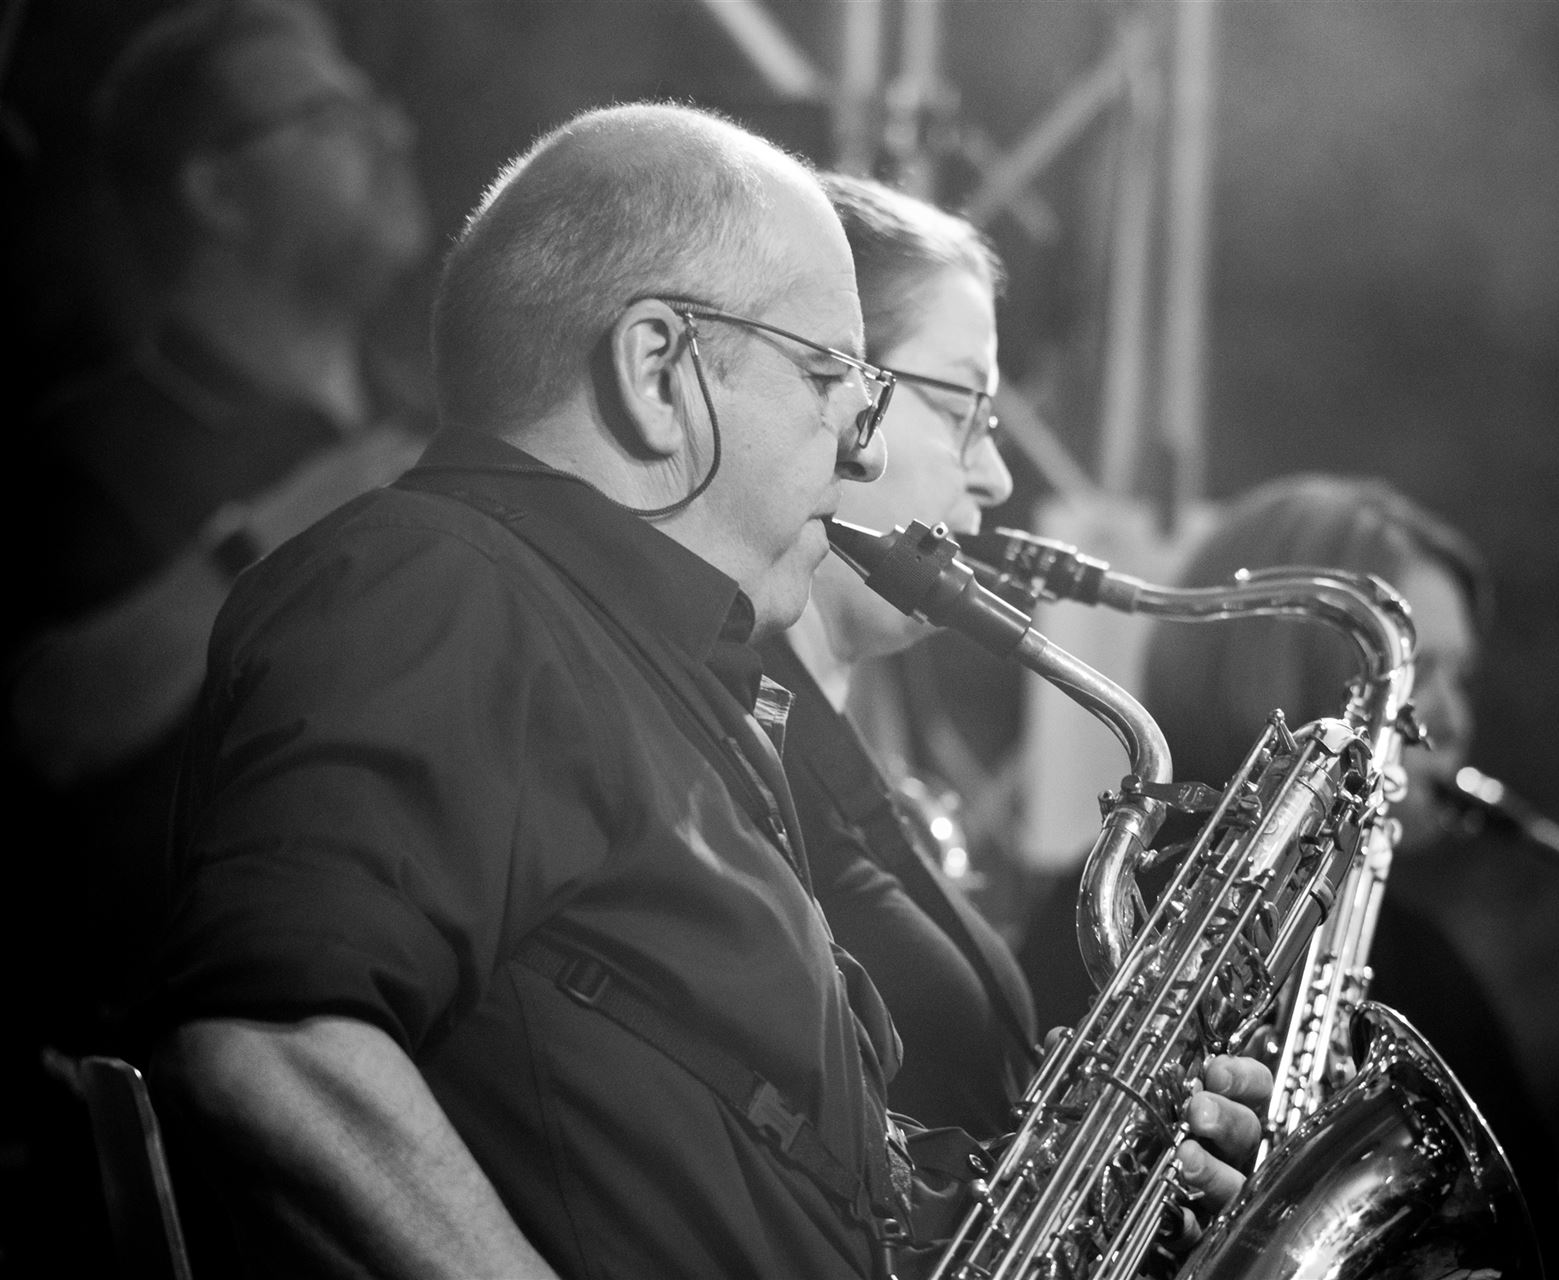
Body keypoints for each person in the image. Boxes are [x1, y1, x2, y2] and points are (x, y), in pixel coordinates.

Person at [141, 102, 1269, 1279]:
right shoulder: (442, 582)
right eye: (832, 375)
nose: (865, 452)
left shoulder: (649, 671)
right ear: (657, 370)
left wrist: (1107, 1195)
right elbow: (274, 1047)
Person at [1, 3, 429, 1269]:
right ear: (216, 190)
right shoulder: (82, 447)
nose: (392, 132)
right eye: (331, 115)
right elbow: (46, 720)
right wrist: (275, 535)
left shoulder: (439, 425)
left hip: (434, 1072)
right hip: (202, 1143)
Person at [1017, 473, 1559, 1266]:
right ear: (1296, 674)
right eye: (1422, 677)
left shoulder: (1424, 959)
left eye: (1463, 678)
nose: (1452, 722)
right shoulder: (1112, 913)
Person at [758, 174, 1036, 1140]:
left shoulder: (833, 745)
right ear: (837, 388)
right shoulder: (734, 743)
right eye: (965, 411)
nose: (996, 477)